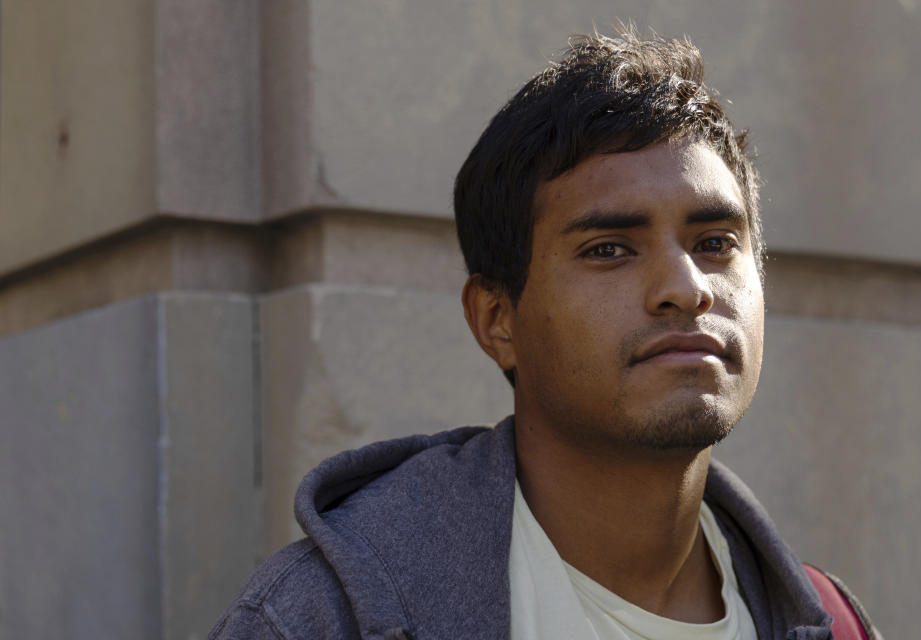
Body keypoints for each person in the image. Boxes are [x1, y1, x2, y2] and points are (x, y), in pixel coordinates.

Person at [209, 27, 880, 640]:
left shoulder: (830, 621)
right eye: (609, 249)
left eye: (713, 241)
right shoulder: (315, 619)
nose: (686, 288)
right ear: (496, 320)